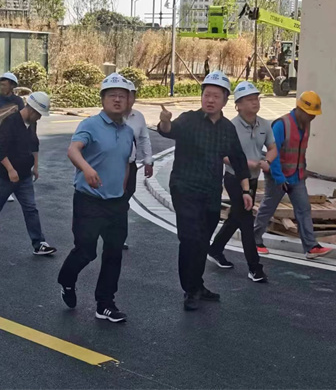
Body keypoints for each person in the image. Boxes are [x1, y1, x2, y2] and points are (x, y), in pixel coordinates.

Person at [158, 70, 252, 311]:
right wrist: (165, 121)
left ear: (225, 100)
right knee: (190, 238)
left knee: (202, 239)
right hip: (185, 187)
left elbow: (238, 159)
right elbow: (169, 130)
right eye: (206, 95)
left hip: (211, 191)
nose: (210, 100)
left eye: (216, 96)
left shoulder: (227, 128)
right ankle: (190, 290)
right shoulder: (188, 120)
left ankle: (197, 284)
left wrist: (245, 190)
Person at [57, 73, 134, 323]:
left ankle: (105, 303)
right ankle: (67, 280)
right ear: (103, 99)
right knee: (86, 251)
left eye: (122, 96)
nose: (117, 100)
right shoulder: (90, 125)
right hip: (89, 201)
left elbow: (125, 163)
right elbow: (73, 150)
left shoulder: (128, 131)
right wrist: (87, 169)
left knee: (114, 253)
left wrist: (123, 191)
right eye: (112, 96)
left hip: (116, 203)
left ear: (129, 101)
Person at [207, 81, 276, 282]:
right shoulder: (231, 127)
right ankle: (255, 268)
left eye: (256, 99)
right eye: (250, 100)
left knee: (236, 218)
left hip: (253, 179)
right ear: (238, 105)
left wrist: (267, 162)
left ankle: (215, 249)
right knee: (246, 221)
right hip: (234, 178)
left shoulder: (265, 124)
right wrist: (246, 163)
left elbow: (272, 148)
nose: (255, 103)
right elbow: (223, 155)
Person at [253, 91, 332, 260]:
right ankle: (255, 239)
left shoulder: (305, 125)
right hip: (278, 176)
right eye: (310, 114)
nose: (312, 118)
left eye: (314, 115)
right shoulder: (281, 125)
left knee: (304, 209)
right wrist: (279, 177)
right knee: (268, 207)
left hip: (296, 176)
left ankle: (311, 247)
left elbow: (300, 151)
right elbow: (273, 153)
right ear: (300, 109)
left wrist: (303, 171)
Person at [0, 92, 57, 256]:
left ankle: (39, 243)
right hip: (5, 177)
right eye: (38, 114)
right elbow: (0, 150)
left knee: (31, 209)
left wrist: (35, 166)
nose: (39, 118)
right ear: (31, 109)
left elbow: (34, 144)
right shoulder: (10, 122)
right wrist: (10, 169)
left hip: (24, 176)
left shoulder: (32, 124)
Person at [122, 79, 153, 249]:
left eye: (131, 95)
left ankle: (119, 236)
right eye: (124, 95)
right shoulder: (110, 116)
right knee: (113, 200)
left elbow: (144, 139)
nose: (128, 99)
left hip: (131, 164)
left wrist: (148, 161)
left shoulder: (138, 117)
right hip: (112, 166)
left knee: (125, 198)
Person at [0, 72, 24, 203]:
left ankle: (8, 190)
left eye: (4, 85)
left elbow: (21, 119)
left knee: (11, 163)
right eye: (1, 85)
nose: (1, 87)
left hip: (13, 139)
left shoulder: (18, 101)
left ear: (12, 86)